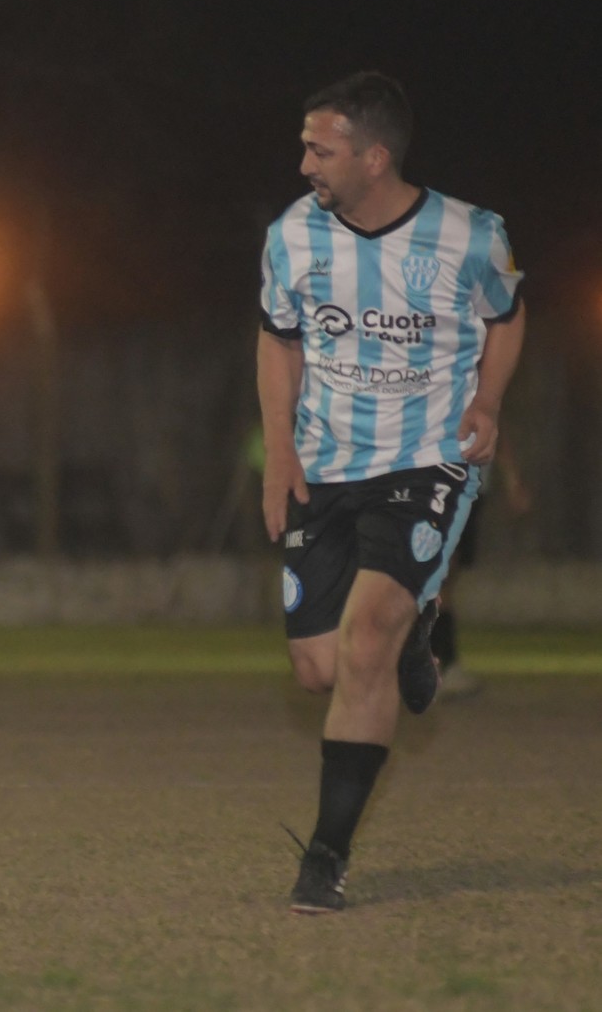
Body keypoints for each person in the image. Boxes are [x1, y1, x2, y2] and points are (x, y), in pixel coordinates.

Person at [257, 71, 525, 914]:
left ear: (374, 158)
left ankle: (324, 860)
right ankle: (418, 633)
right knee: (320, 668)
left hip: (425, 461)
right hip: (323, 462)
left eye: (319, 148)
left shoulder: (471, 236)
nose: (304, 163)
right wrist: (276, 450)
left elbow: (507, 314)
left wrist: (485, 400)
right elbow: (277, 341)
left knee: (365, 639)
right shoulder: (290, 237)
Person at [433, 436, 532, 699]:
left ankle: (442, 664)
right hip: (439, 483)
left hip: (471, 486)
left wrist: (512, 479)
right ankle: (441, 664)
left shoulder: (480, 396)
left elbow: (495, 426)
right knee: (439, 576)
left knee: (446, 580)